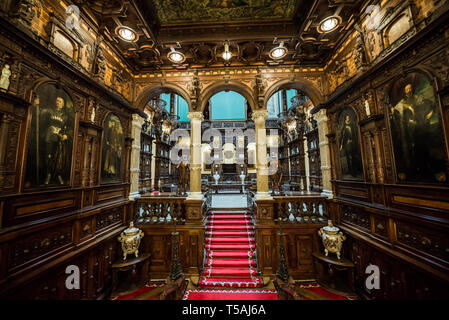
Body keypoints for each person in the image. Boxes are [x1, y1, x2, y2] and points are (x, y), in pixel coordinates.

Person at [42, 96, 72, 185]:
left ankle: (57, 174)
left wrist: (64, 134)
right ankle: (48, 174)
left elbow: (66, 128)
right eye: (57, 101)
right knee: (49, 155)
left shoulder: (65, 116)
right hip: (49, 135)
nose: (58, 102)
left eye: (60, 101)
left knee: (57, 157)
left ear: (62, 104)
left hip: (59, 137)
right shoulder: (50, 112)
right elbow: (44, 123)